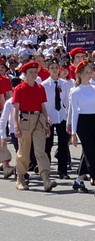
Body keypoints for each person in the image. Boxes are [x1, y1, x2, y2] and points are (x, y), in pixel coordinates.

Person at [68, 60, 95, 198]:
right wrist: (73, 133)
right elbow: (74, 113)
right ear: (79, 75)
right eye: (86, 72)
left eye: (90, 71)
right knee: (90, 151)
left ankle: (79, 179)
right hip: (82, 122)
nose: (89, 74)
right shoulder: (75, 92)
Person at [12, 61, 53, 191]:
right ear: (25, 74)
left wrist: (47, 123)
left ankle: (46, 178)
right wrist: (16, 126)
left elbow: (43, 107)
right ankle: (20, 178)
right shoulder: (19, 89)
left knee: (41, 150)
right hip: (25, 119)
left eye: (35, 72)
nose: (34, 75)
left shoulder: (40, 88)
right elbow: (15, 109)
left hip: (38, 119)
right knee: (23, 151)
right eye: (31, 72)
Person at [42, 58, 70, 180]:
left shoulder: (64, 84)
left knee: (63, 144)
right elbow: (43, 103)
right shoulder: (44, 85)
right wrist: (45, 118)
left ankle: (62, 171)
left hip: (62, 116)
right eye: (52, 68)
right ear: (48, 70)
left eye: (56, 67)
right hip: (49, 117)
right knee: (48, 145)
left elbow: (67, 101)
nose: (54, 70)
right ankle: (47, 169)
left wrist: (69, 117)